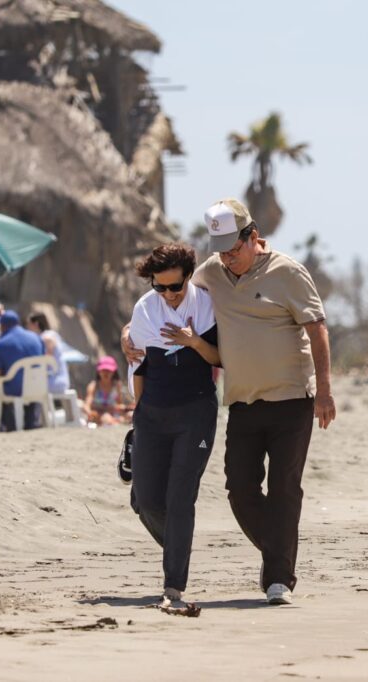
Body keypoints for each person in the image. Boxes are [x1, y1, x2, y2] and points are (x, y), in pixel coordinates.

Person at [123, 198, 336, 606]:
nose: (227, 258)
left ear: (252, 237)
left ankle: (278, 578)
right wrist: (128, 331)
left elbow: (317, 328)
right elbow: (164, 298)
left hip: (292, 398)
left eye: (233, 249)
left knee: (284, 489)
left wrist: (324, 390)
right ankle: (277, 553)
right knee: (239, 490)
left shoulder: (287, 272)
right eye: (219, 250)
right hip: (241, 400)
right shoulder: (211, 273)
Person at [126, 243, 220, 607]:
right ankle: (180, 543)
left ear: (188, 277)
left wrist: (193, 341)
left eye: (175, 287)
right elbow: (139, 364)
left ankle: (174, 584)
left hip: (195, 412)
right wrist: (138, 415)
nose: (168, 295)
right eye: (159, 287)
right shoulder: (145, 309)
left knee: (180, 498)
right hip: (152, 413)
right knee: (146, 501)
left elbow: (220, 357)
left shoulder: (206, 304)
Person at [0, 310, 45, 431]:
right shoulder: (36, 338)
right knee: (28, 388)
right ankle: (30, 423)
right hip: (38, 385)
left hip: (15, 389)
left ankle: (11, 425)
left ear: (2, 326)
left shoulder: (0, 345)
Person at [26, 313, 71, 395]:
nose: (27, 328)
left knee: (26, 387)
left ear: (36, 324)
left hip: (55, 380)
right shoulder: (48, 335)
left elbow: (47, 360)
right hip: (54, 379)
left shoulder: (47, 337)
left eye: (29, 324)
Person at [83, 356, 130, 426]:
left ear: (114, 372)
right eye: (103, 370)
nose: (106, 373)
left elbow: (119, 403)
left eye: (109, 370)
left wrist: (122, 409)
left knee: (130, 415)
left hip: (113, 414)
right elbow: (86, 405)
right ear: (98, 371)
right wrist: (90, 413)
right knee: (107, 418)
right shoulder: (93, 386)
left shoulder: (117, 385)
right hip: (98, 415)